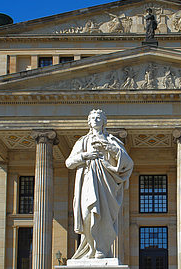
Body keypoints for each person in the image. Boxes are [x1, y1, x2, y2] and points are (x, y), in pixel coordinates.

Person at [65, 109, 134, 260]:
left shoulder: (112, 141)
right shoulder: (82, 142)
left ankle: (102, 249)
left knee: (104, 217)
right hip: (88, 180)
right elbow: (69, 162)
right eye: (93, 118)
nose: (96, 120)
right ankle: (91, 248)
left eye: (99, 118)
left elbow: (128, 163)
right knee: (87, 214)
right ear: (89, 122)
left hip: (107, 184)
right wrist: (85, 156)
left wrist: (111, 149)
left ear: (104, 122)